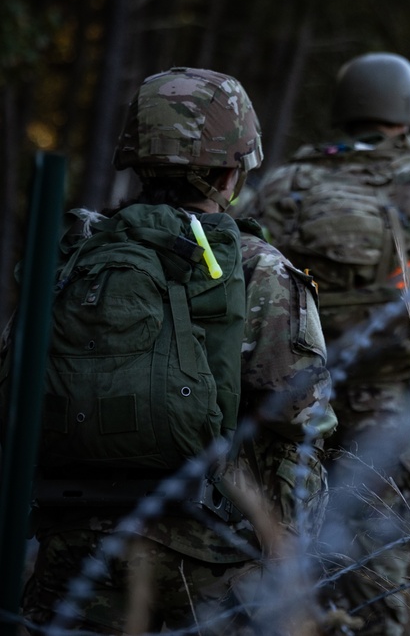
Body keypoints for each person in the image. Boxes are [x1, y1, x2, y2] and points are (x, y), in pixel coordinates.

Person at [12, 67, 337, 634]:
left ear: (137, 159)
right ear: (232, 168)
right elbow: (303, 415)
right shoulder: (257, 268)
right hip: (215, 558)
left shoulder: (73, 257)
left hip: (75, 546)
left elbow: (14, 382)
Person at [244, 52, 410, 635]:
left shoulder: (284, 183)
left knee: (269, 553)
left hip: (281, 401)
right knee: (370, 564)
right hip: (385, 403)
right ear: (408, 117)